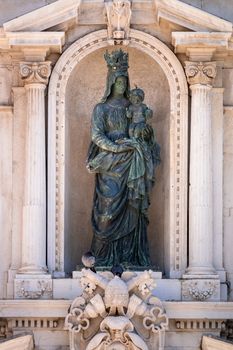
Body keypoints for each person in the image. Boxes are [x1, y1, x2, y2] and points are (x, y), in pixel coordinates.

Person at [86, 49, 160, 268]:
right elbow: (96, 134)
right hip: (110, 162)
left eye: (124, 81)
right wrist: (114, 148)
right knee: (106, 211)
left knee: (132, 207)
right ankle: (101, 259)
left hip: (132, 159)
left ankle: (129, 258)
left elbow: (144, 131)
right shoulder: (101, 108)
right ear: (110, 82)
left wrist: (143, 134)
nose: (121, 85)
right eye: (118, 81)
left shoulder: (134, 108)